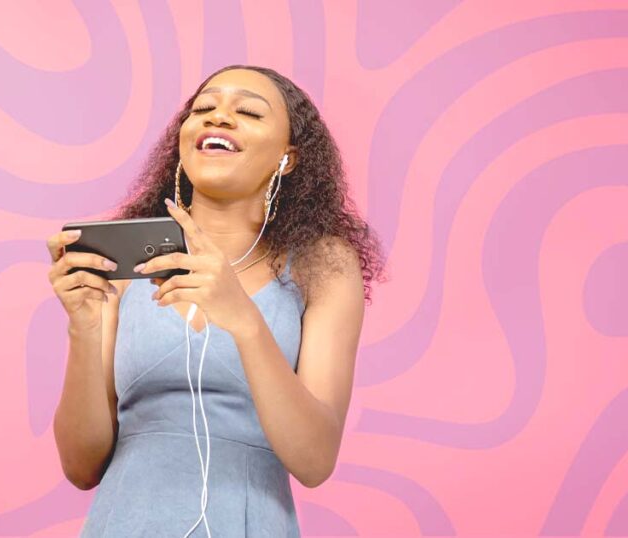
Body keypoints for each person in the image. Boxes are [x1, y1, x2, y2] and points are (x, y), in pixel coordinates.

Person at [47, 65, 386, 537]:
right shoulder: (123, 272)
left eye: (247, 111)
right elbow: (80, 467)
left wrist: (244, 320)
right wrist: (82, 330)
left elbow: (315, 460)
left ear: (287, 159)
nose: (219, 117)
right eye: (203, 109)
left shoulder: (323, 265)